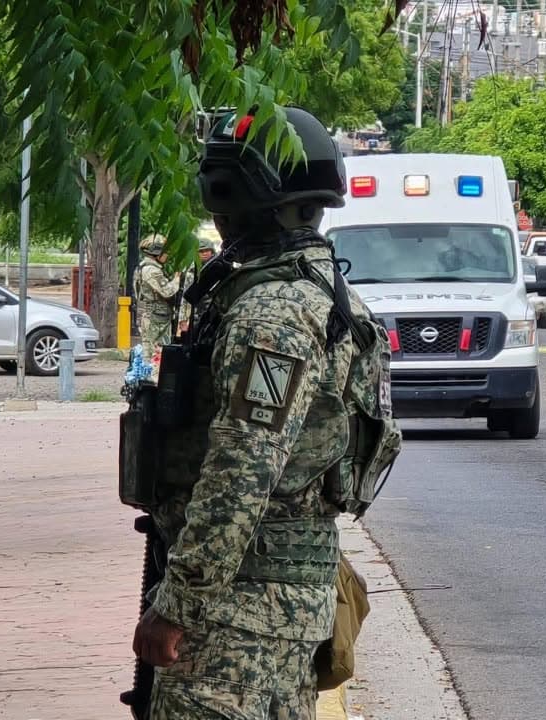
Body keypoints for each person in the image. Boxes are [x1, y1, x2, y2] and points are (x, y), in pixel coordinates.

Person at [132, 106, 394, 719]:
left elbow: (242, 470)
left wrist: (179, 603)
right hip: (274, 605)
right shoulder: (316, 293)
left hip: (237, 615)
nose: (218, 215)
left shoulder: (272, 312)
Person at [133, 234, 180, 366]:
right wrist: (177, 278)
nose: (167, 255)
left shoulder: (144, 267)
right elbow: (167, 291)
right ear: (156, 252)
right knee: (157, 356)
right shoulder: (151, 270)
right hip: (156, 318)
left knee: (151, 355)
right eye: (165, 251)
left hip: (154, 316)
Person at [177, 234, 218, 337]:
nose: (204, 253)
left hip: (216, 313)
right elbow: (185, 297)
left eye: (207, 250)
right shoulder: (191, 271)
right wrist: (183, 319)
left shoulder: (219, 268)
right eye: (201, 251)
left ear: (212, 251)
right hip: (196, 314)